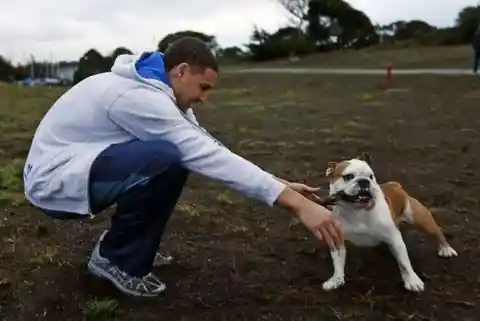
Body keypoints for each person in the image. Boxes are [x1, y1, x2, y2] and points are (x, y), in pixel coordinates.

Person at [23, 37, 342, 297]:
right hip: (53, 181)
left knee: (171, 159)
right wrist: (295, 203)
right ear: (182, 70)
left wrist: (280, 183)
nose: (205, 99)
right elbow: (201, 153)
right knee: (164, 157)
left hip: (81, 165)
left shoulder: (158, 91)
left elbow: (205, 143)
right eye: (204, 88)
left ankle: (134, 249)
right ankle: (116, 258)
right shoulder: (137, 97)